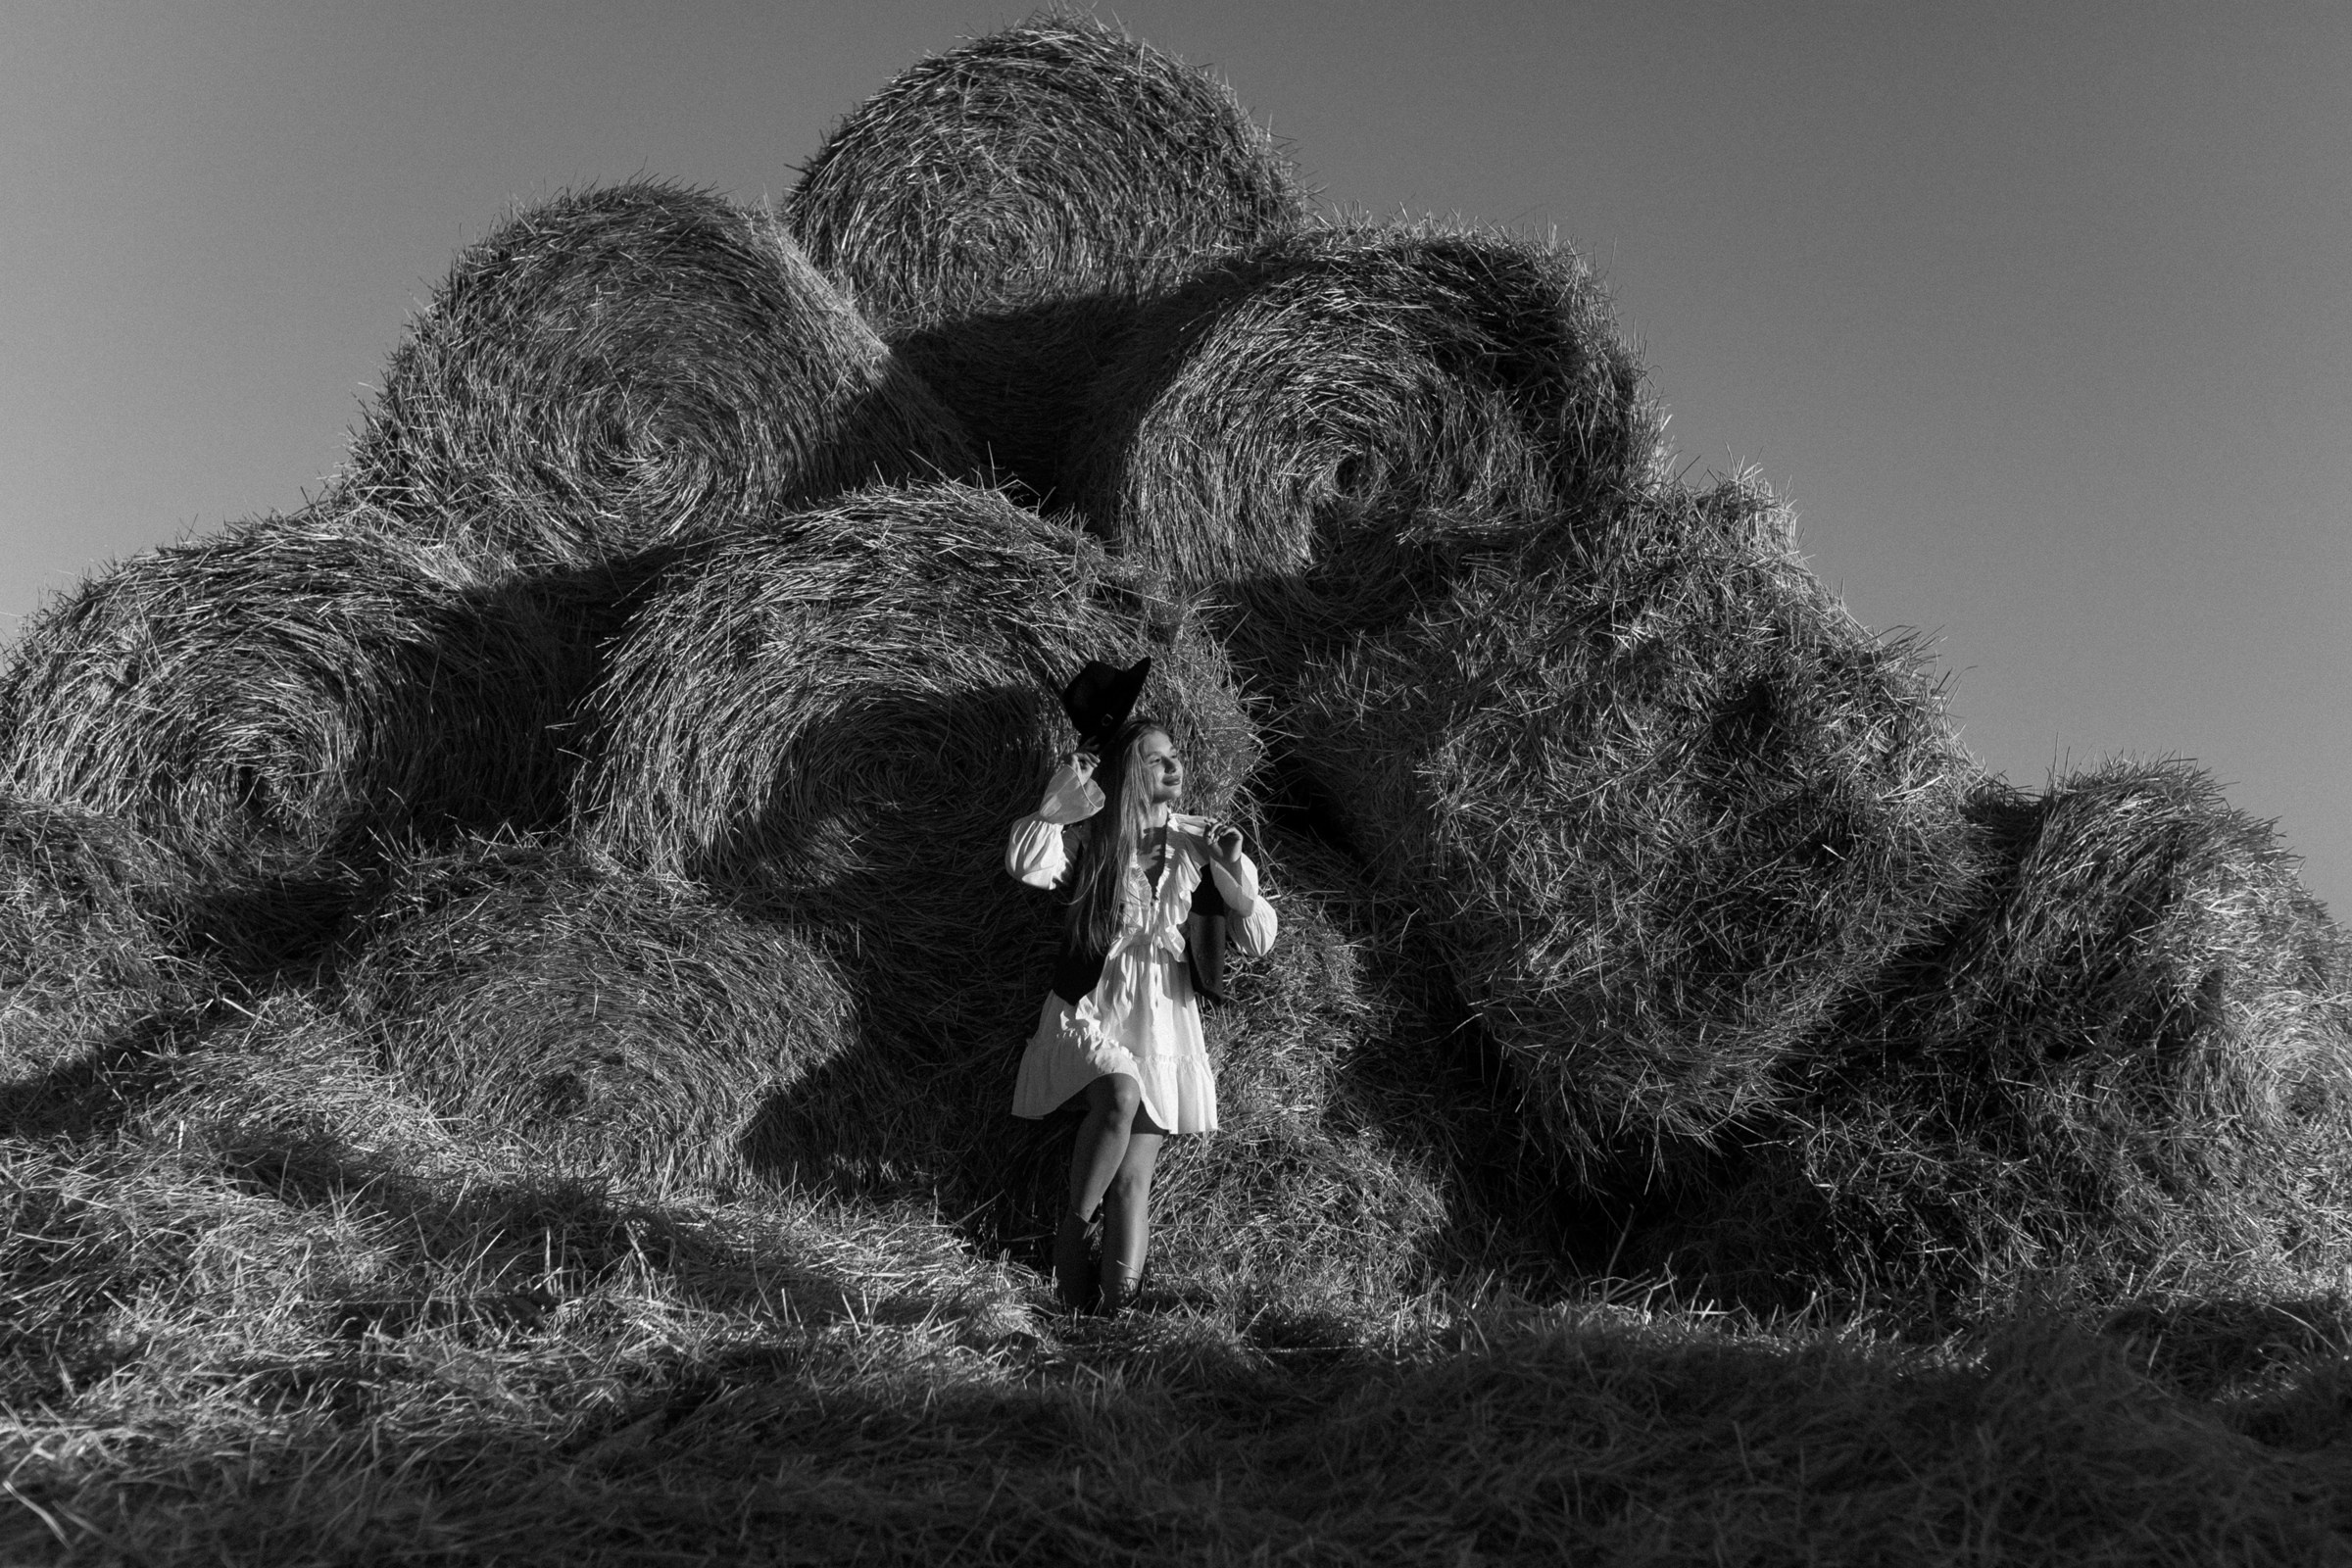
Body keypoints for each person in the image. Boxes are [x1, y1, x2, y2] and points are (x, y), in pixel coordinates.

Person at [1005, 709, 1278, 1312]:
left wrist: (1232, 866)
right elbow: (1025, 864)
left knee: (1132, 1184)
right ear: (1130, 773)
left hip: (1164, 1018)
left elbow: (1259, 938)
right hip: (1093, 1005)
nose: (1174, 765)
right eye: (1157, 759)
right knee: (1120, 1093)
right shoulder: (1094, 837)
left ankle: (1111, 1320)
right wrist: (1061, 800)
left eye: (1174, 755)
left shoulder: (1202, 841)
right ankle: (1072, 1233)